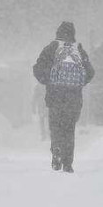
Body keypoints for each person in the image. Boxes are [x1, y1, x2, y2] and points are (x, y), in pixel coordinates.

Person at [32, 21, 95, 173]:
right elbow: (90, 72)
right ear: (73, 33)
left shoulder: (51, 48)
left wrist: (49, 81)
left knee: (55, 127)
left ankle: (56, 151)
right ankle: (67, 163)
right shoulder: (78, 49)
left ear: (58, 32)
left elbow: (37, 68)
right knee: (69, 129)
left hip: (55, 96)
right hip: (74, 98)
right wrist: (79, 83)